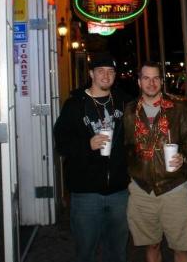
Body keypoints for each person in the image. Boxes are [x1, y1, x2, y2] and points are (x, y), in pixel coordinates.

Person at [54, 53, 132, 262]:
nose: (106, 76)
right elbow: (61, 142)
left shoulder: (125, 102)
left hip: (119, 191)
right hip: (85, 193)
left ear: (115, 75)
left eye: (110, 71)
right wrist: (87, 145)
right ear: (91, 74)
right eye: (100, 71)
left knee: (117, 251)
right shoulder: (75, 105)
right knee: (85, 251)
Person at [124, 61, 187, 262]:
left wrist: (184, 157)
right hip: (142, 191)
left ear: (161, 81)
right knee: (152, 245)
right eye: (146, 78)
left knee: (182, 247)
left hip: (174, 189)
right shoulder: (129, 112)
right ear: (139, 82)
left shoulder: (179, 108)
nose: (151, 83)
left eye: (155, 78)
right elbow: (124, 147)